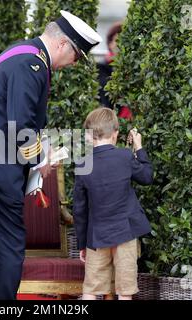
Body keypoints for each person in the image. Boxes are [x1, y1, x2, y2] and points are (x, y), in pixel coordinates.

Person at [0, 10, 102, 299]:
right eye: (76, 56)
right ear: (62, 44)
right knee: (7, 248)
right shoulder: (31, 64)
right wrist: (40, 161)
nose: (72, 64)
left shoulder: (22, 51)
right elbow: (21, 126)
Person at [73, 108, 153, 300]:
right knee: (125, 291)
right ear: (115, 134)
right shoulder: (125, 156)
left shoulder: (83, 164)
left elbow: (80, 210)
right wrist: (139, 148)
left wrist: (82, 244)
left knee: (91, 289)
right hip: (125, 233)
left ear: (90, 137)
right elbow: (147, 177)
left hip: (97, 237)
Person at [97, 22, 132, 119]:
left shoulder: (134, 69)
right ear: (110, 44)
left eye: (124, 41)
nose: (120, 45)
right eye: (117, 40)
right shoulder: (101, 68)